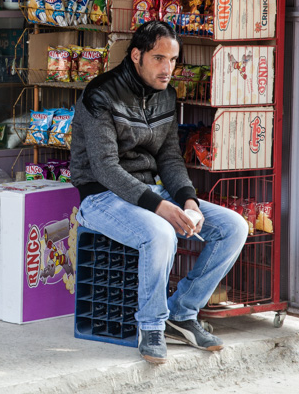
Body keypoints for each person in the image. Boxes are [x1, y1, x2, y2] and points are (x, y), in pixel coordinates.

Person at [70, 20, 248, 364]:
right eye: (159, 58)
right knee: (161, 232)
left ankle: (181, 313)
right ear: (136, 55)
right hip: (101, 197)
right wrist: (161, 208)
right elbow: (106, 168)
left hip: (152, 191)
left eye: (173, 59)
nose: (168, 68)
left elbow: (169, 158)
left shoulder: (166, 95)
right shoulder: (99, 95)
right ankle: (150, 325)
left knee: (233, 227)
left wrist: (188, 201)